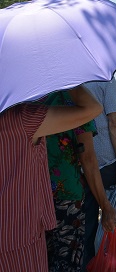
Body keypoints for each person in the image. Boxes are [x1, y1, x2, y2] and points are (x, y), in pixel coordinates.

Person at [0, 86, 106, 271]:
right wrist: (71, 78)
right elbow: (88, 153)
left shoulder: (25, 107)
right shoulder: (24, 116)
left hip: (29, 216)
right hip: (25, 226)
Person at [43, 90, 116, 272]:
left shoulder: (23, 97)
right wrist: (106, 206)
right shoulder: (73, 97)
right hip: (67, 196)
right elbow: (89, 160)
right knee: (67, 261)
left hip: (29, 194)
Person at [81, 79, 116, 269]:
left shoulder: (63, 77)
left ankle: (89, 263)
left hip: (74, 163)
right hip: (105, 159)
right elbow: (114, 121)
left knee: (86, 223)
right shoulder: (103, 77)